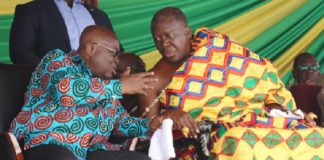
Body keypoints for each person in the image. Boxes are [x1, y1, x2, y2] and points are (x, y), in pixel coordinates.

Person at [138, 7, 323, 159]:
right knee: (238, 143)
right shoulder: (152, 80)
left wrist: (288, 112)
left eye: (170, 36)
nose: (164, 45)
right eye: (158, 40)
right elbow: (146, 134)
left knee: (317, 136)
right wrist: (169, 115)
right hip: (203, 139)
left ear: (187, 32)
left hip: (254, 120)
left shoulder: (215, 47)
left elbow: (261, 83)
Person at [9, 25, 164, 160]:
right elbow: (66, 91)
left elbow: (120, 123)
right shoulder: (58, 60)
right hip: (47, 145)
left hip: (90, 152)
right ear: (92, 49)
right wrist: (119, 86)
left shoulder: (106, 86)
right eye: (114, 53)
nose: (117, 60)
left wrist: (149, 125)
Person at [10, 0, 122, 65]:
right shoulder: (32, 10)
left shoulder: (99, 15)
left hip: (104, 88)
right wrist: (58, 73)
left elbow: (118, 52)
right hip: (56, 91)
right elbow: (20, 54)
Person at [290, 53, 323, 126]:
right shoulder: (288, 95)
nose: (310, 71)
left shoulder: (321, 91)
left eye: (314, 67)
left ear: (319, 73)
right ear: (294, 73)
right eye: (304, 68)